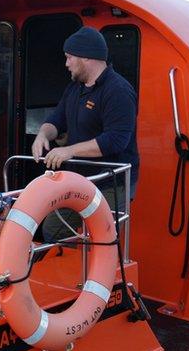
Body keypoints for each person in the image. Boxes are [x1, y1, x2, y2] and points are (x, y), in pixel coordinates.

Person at [31, 26, 139, 214]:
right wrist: (42, 135)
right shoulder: (74, 88)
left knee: (102, 239)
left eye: (69, 57)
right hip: (78, 179)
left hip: (110, 183)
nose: (66, 64)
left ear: (86, 56)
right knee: (53, 229)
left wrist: (69, 150)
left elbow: (116, 140)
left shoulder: (118, 90)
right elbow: (57, 119)